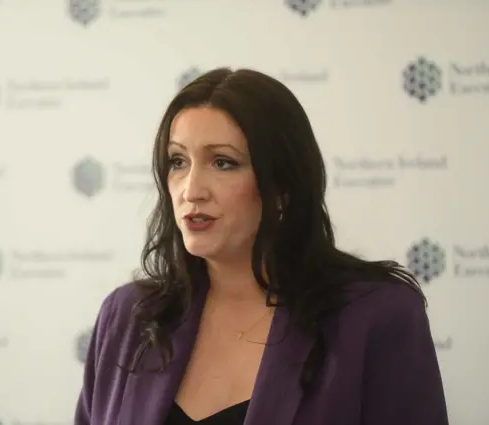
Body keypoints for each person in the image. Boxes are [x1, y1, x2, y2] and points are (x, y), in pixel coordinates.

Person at [74, 67, 449, 425]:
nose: (191, 190)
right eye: (178, 161)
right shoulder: (127, 317)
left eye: (223, 163)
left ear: (281, 187)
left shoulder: (376, 316)